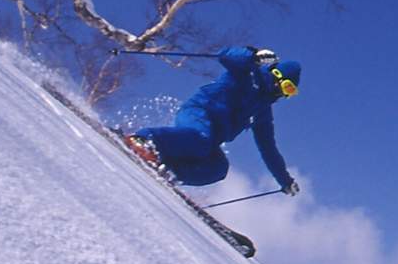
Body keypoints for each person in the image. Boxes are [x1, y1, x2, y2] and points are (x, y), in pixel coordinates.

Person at [125, 46, 301, 193]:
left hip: (211, 138)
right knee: (201, 139)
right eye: (286, 87)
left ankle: (169, 171)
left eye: (290, 93)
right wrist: (251, 55)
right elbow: (227, 57)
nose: (283, 94)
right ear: (276, 74)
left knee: (218, 167)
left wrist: (285, 180)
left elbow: (268, 149)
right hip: (199, 113)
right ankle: (145, 140)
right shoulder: (247, 74)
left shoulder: (262, 112)